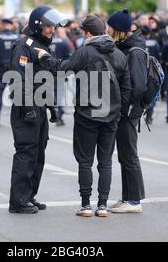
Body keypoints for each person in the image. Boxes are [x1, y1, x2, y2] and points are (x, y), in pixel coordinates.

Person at [35, 14, 131, 218]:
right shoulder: (119, 54)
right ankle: (103, 205)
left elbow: (61, 69)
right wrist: (118, 111)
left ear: (88, 33)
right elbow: (126, 88)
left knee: (85, 161)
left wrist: (44, 57)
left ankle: (86, 205)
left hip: (87, 115)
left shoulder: (85, 52)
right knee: (105, 162)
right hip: (111, 116)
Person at [8, 6, 66, 214]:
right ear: (38, 25)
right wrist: (27, 107)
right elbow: (18, 78)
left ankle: (29, 195)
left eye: (54, 26)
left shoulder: (43, 47)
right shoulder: (24, 46)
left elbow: (47, 79)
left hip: (40, 105)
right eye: (49, 26)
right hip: (27, 107)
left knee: (38, 153)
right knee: (26, 153)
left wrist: (51, 107)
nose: (53, 30)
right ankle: (18, 201)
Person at [106, 9, 146, 214]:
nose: (107, 29)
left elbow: (137, 86)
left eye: (109, 27)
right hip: (125, 109)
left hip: (128, 111)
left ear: (118, 30)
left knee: (129, 155)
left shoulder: (135, 52)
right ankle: (127, 197)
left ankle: (134, 201)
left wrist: (125, 106)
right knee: (124, 155)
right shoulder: (127, 47)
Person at [49, 27, 73, 126]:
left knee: (53, 94)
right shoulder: (64, 42)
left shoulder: (50, 42)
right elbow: (70, 57)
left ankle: (54, 112)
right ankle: (59, 114)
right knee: (59, 94)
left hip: (49, 71)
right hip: (61, 70)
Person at [141, 25, 161, 125]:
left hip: (141, 70)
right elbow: (158, 58)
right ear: (149, 33)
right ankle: (149, 115)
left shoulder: (138, 43)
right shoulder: (155, 43)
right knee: (151, 93)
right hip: (152, 71)